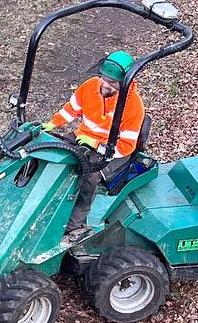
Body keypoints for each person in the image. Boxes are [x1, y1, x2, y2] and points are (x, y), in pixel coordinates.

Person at [46, 51, 146, 234]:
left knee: (89, 177)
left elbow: (127, 146)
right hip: (83, 136)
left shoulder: (133, 106)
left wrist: (96, 144)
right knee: (51, 151)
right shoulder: (91, 86)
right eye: (104, 79)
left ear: (125, 83)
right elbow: (71, 109)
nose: (105, 85)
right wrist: (53, 124)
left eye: (112, 83)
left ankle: (75, 225)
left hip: (114, 150)